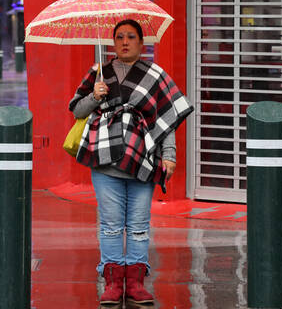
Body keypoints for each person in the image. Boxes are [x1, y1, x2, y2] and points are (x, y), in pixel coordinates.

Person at [69, 19, 193, 307]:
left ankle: (136, 284)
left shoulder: (155, 75)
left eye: (131, 37)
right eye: (120, 37)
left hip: (144, 160)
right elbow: (76, 109)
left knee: (138, 226)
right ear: (112, 42)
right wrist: (94, 95)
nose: (125, 42)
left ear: (141, 43)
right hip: (104, 162)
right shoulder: (99, 72)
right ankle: (112, 283)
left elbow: (167, 120)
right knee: (111, 226)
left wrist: (170, 156)